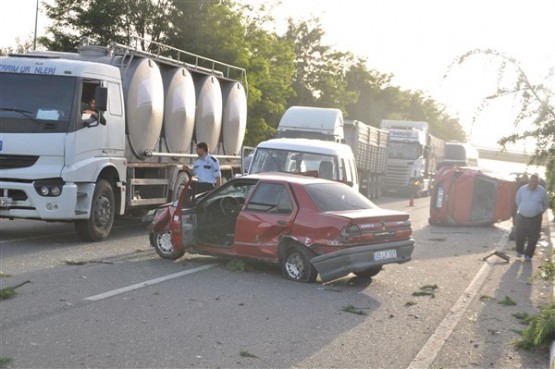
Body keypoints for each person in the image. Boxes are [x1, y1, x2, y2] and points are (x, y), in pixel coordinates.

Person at [514, 173, 549, 261]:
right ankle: (519, 251)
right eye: (531, 181)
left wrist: (537, 211)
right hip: (522, 215)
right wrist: (524, 209)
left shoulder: (542, 191)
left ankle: (528, 255)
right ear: (529, 181)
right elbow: (517, 200)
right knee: (519, 234)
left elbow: (545, 204)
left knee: (533, 237)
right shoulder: (522, 189)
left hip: (536, 217)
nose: (533, 183)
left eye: (535, 181)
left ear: (538, 182)